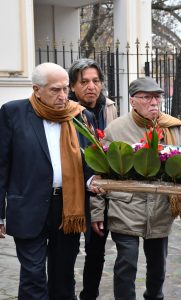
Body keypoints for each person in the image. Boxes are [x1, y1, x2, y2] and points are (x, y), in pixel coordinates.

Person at [90, 77, 181, 300]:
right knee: (126, 263)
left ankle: (154, 296)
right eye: (146, 97)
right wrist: (97, 211)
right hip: (125, 206)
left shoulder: (174, 128)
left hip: (161, 209)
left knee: (158, 268)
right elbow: (100, 174)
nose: (154, 102)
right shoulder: (116, 129)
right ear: (132, 101)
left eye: (157, 97)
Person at [0, 62, 99, 300]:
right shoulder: (13, 113)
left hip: (68, 209)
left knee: (63, 277)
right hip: (28, 206)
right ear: (36, 90)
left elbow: (90, 163)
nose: (63, 95)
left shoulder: (81, 116)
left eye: (66, 88)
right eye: (55, 90)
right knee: (33, 276)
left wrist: (91, 181)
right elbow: (1, 165)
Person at [68, 58, 117, 300]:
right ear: (73, 87)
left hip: (100, 189)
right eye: (84, 81)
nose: (91, 86)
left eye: (96, 81)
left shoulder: (109, 108)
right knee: (66, 249)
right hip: (73, 189)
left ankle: (89, 295)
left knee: (96, 250)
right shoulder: (66, 110)